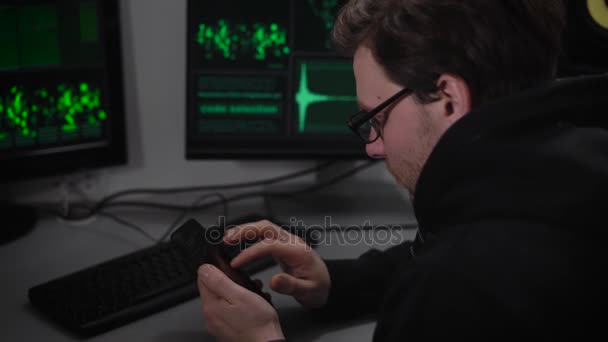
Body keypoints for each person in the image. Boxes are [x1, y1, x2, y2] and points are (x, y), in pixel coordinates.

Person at [196, 0, 608, 340]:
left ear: (448, 98)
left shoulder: (457, 285)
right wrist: (338, 283)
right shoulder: (574, 162)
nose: (374, 147)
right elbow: (450, 240)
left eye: (377, 118)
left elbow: (460, 268)